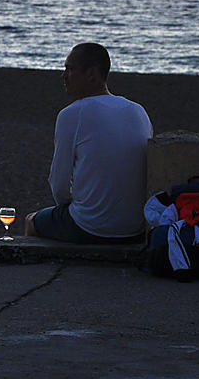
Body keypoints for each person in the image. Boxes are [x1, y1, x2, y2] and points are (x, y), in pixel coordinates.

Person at [25, 43, 152, 243]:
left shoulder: (73, 114)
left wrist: (68, 208)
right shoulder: (137, 110)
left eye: (70, 69)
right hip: (136, 226)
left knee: (31, 221)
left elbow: (59, 184)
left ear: (92, 74)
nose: (64, 75)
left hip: (92, 226)